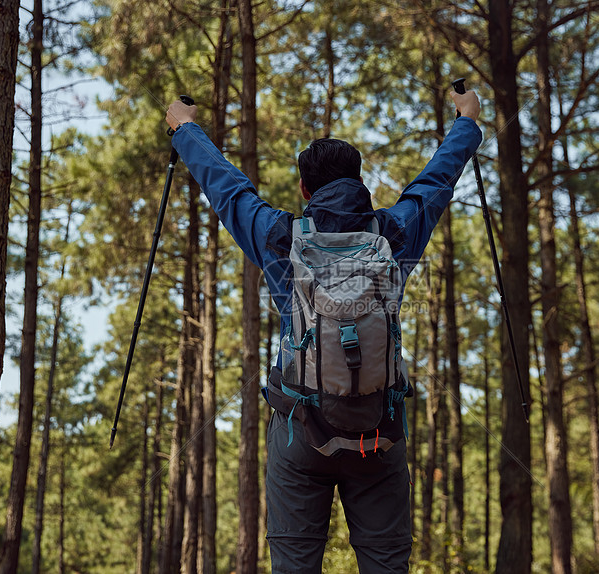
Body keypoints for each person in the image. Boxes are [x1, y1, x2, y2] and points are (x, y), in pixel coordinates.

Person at [166, 88, 481, 573]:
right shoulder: (393, 233)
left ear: (304, 190)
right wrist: (466, 121)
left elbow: (227, 190)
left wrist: (184, 128)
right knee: (386, 563)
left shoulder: (278, 236)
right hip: (380, 433)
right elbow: (435, 184)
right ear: (360, 182)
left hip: (300, 433)